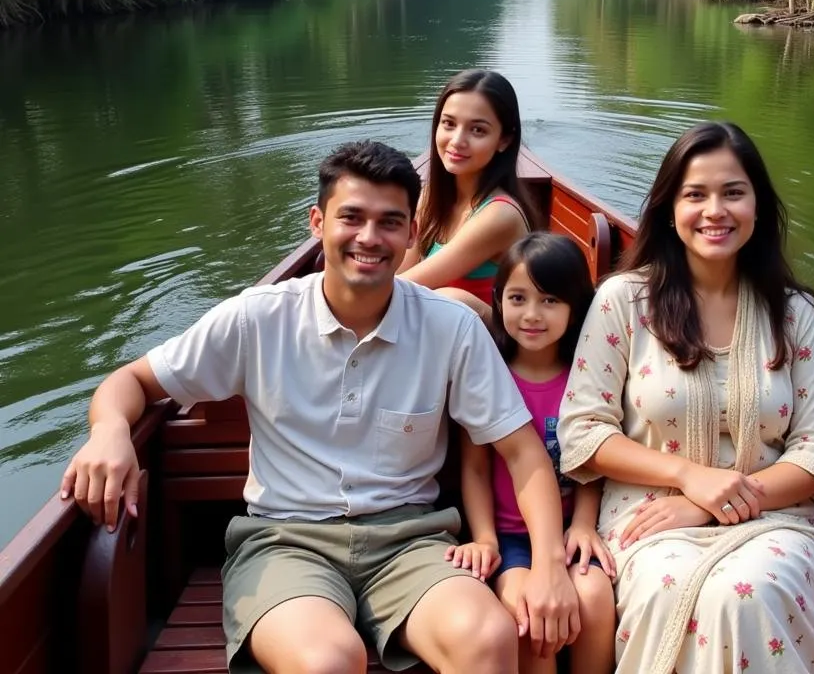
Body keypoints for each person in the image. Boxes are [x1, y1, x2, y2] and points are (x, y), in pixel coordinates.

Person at [60, 140, 579, 674]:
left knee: (490, 639)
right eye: (351, 218)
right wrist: (109, 433)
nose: (369, 238)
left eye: (390, 222)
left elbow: (523, 454)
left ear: (408, 238)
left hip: (411, 542)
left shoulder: (450, 327)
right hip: (286, 541)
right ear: (317, 222)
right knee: (327, 662)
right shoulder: (258, 318)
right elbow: (132, 381)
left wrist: (549, 566)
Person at [557, 122, 814, 674]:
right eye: (695, 194)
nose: (714, 210)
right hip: (650, 518)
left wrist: (710, 501)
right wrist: (687, 476)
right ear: (669, 208)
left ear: (758, 206)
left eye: (733, 193)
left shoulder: (793, 314)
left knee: (744, 593)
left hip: (776, 519)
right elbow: (584, 431)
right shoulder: (623, 301)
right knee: (673, 592)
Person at [446, 233, 616, 674]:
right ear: (499, 301)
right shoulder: (489, 375)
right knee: (525, 614)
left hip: (570, 528)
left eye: (550, 301)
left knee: (596, 599)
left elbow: (595, 460)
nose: (532, 315)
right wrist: (483, 537)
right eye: (518, 298)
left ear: (576, 307)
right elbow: (476, 468)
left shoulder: (586, 377)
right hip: (509, 539)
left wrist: (581, 523)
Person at [399, 69, 534, 321]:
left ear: (504, 140)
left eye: (478, 130)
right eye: (449, 124)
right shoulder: (430, 197)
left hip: (492, 346)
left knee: (452, 298)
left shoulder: (500, 215)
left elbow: (410, 286)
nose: (457, 141)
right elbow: (401, 273)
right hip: (436, 332)